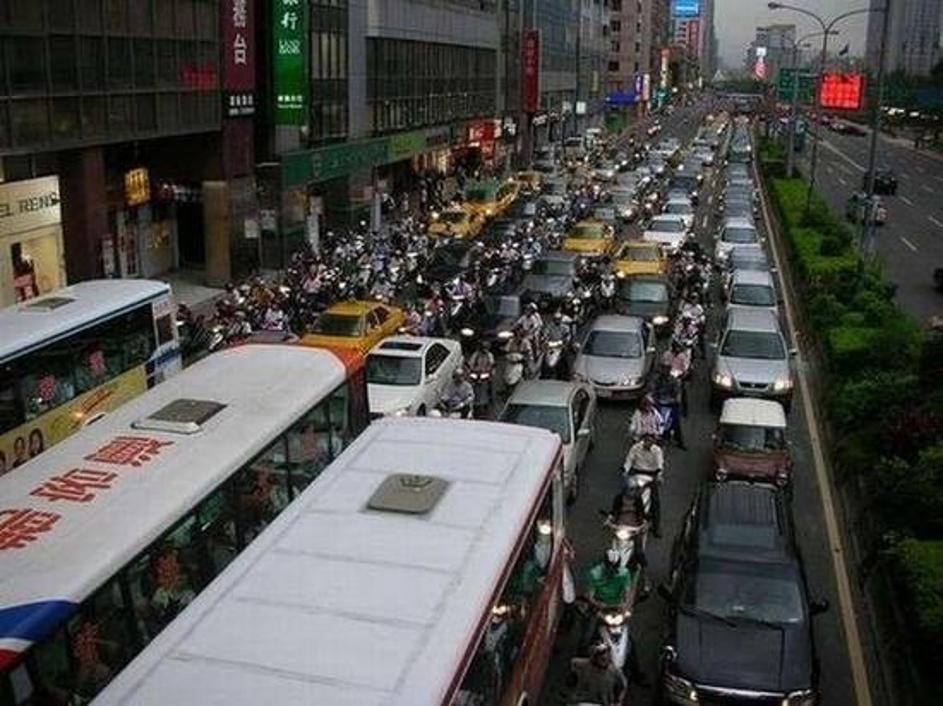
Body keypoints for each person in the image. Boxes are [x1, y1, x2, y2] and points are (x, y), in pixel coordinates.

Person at [623, 435, 664, 537]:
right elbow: (629, 460)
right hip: (637, 474)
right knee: (625, 494)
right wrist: (625, 470)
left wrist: (659, 475)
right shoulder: (635, 448)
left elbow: (659, 464)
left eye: (651, 441)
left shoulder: (657, 451)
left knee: (655, 500)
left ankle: (657, 527)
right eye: (646, 441)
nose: (648, 443)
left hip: (650, 476)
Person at [652, 361, 686, 448]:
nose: (665, 371)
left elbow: (677, 392)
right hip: (659, 403)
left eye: (667, 369)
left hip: (670, 403)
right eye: (663, 369)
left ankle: (679, 442)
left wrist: (675, 400)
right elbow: (653, 391)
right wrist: (655, 400)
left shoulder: (673, 380)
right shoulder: (657, 380)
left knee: (676, 421)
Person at [466, 341, 496, 416]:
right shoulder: (476, 355)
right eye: (483, 348)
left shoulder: (490, 355)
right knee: (470, 384)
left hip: (485, 374)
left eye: (486, 348)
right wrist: (471, 370)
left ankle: (490, 399)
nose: (484, 350)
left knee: (490, 385)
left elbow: (492, 365)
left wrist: (490, 372)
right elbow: (471, 364)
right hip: (476, 373)